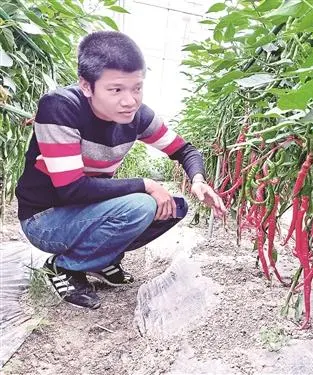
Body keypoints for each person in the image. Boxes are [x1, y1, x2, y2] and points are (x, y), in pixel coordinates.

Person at [15, 31, 226, 309]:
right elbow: (71, 188)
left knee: (174, 206)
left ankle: (99, 261)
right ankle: (64, 267)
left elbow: (185, 150)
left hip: (86, 211)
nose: (130, 100)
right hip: (44, 219)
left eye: (137, 88)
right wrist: (146, 183)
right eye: (116, 90)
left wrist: (197, 179)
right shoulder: (60, 108)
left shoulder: (137, 117)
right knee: (141, 205)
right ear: (87, 86)